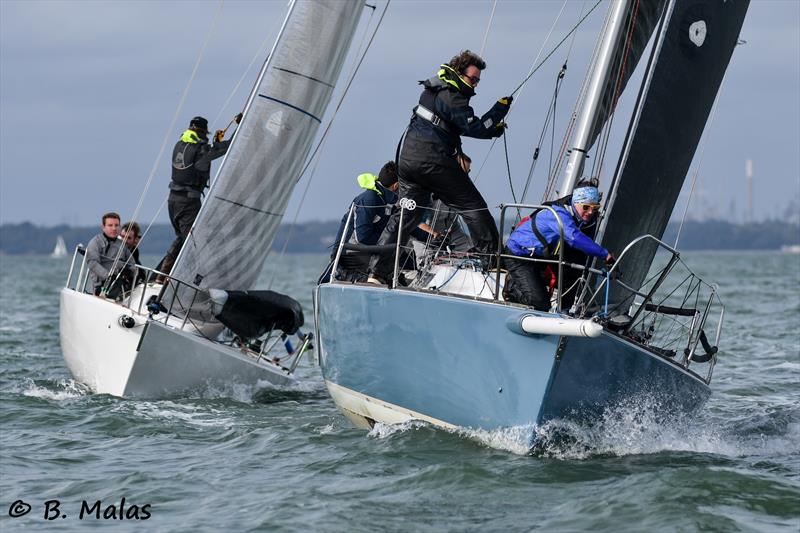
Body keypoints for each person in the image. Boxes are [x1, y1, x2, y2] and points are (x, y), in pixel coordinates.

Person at [368, 50, 512, 284]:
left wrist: (493, 131)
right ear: (458, 73)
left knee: (406, 216)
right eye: (472, 78)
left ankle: (376, 274)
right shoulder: (452, 95)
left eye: (477, 81)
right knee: (473, 207)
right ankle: (496, 265)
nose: (474, 85)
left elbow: (451, 126)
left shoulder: (435, 88)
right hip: (432, 162)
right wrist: (499, 110)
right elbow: (473, 127)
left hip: (409, 161)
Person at [504, 181, 615, 311]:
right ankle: (511, 289)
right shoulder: (558, 213)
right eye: (586, 207)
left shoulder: (583, 219)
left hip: (539, 258)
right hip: (518, 256)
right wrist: (604, 254)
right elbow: (574, 238)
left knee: (571, 275)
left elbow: (580, 254)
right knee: (541, 304)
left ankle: (564, 311)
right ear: (575, 203)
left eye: (594, 208)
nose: (590, 212)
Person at [158, 113, 241, 275]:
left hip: (172, 201)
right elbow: (225, 148)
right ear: (203, 132)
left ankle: (161, 276)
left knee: (183, 239)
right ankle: (171, 276)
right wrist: (241, 125)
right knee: (192, 242)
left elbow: (201, 157)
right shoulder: (200, 149)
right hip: (188, 203)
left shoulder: (180, 144)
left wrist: (215, 143)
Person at [319, 162, 429, 283]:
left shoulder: (387, 200)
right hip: (351, 255)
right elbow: (363, 237)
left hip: (369, 251)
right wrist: (391, 240)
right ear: (397, 186)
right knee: (394, 258)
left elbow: (403, 226)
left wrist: (430, 237)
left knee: (410, 262)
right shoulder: (369, 199)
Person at [85, 212, 135, 299]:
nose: (114, 228)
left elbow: (132, 264)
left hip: (120, 285)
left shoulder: (122, 245)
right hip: (101, 285)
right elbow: (92, 263)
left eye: (116, 225)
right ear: (103, 227)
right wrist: (109, 276)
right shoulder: (95, 242)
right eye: (110, 225)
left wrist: (129, 272)